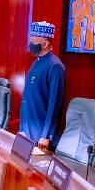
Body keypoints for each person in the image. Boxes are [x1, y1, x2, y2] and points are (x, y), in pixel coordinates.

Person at [19, 21, 65, 151]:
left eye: (33, 41)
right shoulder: (35, 63)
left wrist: (46, 135)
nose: (30, 45)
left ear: (44, 44)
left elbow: (55, 104)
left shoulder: (55, 66)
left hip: (41, 135)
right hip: (27, 129)